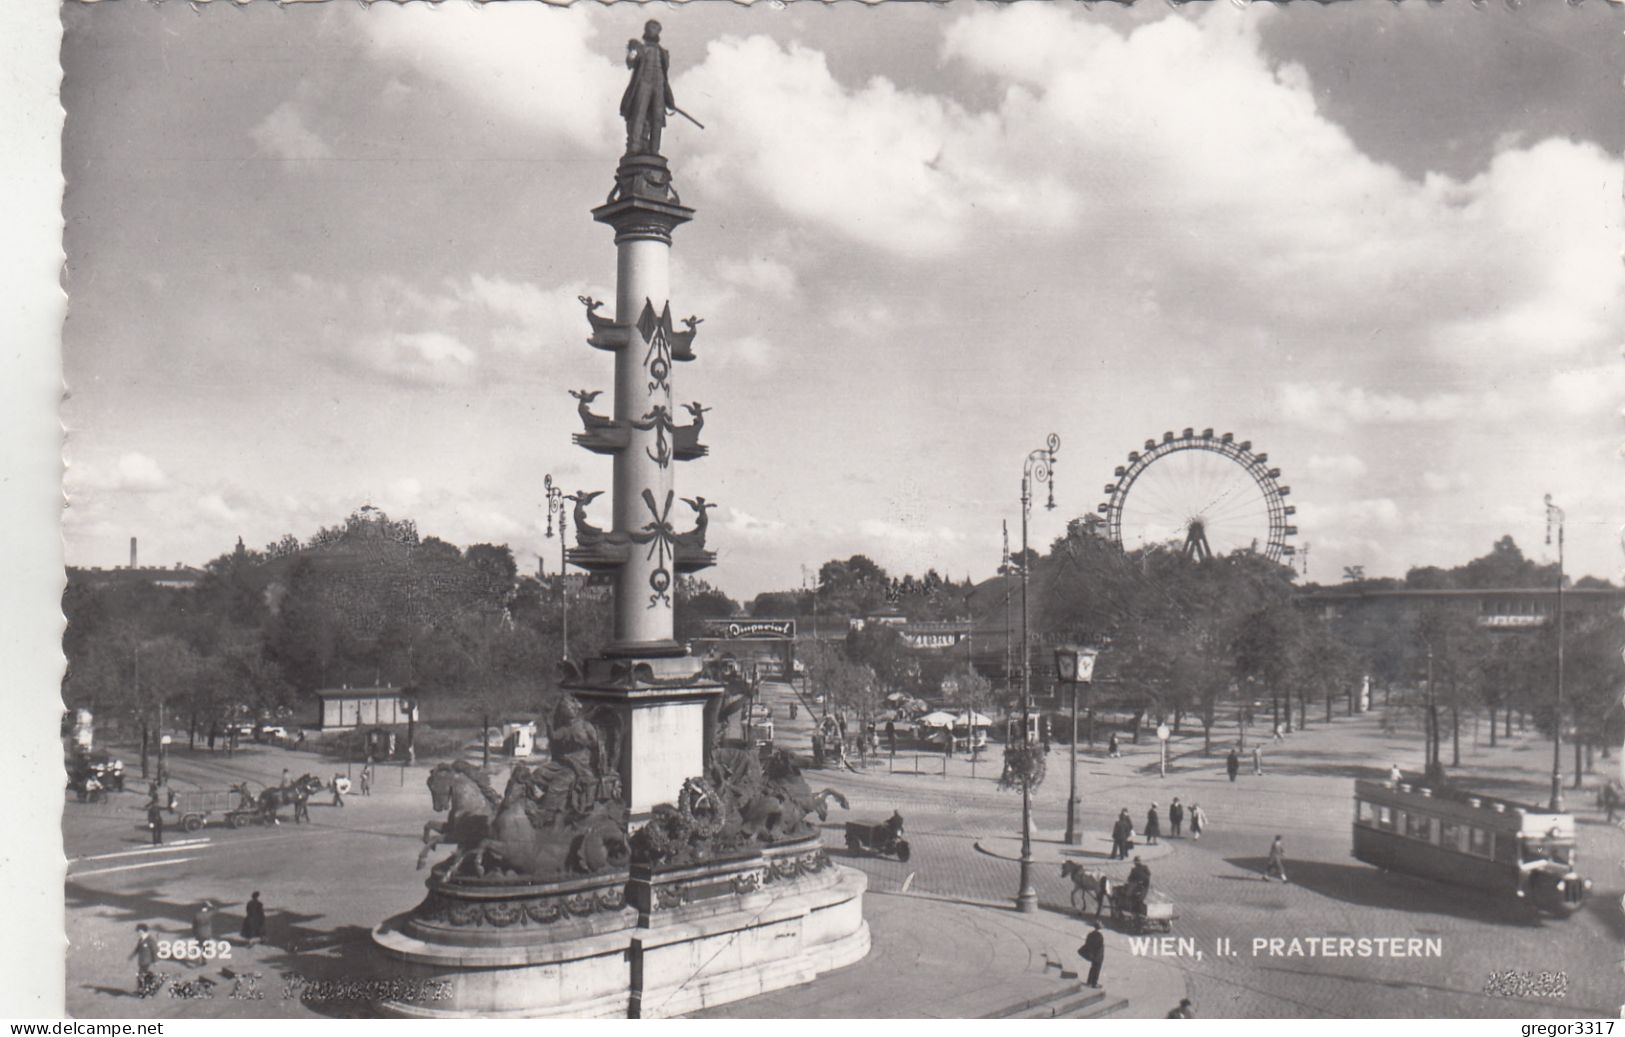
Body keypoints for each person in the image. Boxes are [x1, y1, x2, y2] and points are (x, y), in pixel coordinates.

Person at [621, 20, 675, 156]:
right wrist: (632, 51)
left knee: (657, 117)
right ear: (646, 31)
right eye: (651, 28)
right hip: (643, 83)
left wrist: (668, 97)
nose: (653, 31)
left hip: (659, 85)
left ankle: (654, 149)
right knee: (639, 113)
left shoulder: (663, 52)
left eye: (656, 29)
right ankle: (634, 147)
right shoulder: (640, 48)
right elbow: (630, 62)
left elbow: (665, 73)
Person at [130, 924, 159, 995]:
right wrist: (132, 956)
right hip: (141, 961)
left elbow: (154, 950)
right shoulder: (141, 939)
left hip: (146, 961)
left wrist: (155, 961)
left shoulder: (150, 940)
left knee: (141, 975)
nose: (138, 933)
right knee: (143, 975)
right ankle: (145, 989)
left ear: (142, 931)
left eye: (139, 931)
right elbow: (137, 948)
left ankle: (142, 991)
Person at [1079, 922, 1105, 988]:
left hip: (1092, 954)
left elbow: (1087, 943)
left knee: (1092, 968)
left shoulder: (1090, 934)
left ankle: (1089, 981)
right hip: (1098, 955)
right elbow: (1099, 947)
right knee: (1096, 969)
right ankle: (1094, 983)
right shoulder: (1100, 936)